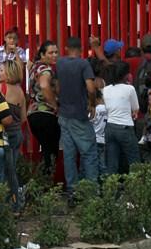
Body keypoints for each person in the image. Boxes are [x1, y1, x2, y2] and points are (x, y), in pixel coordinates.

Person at [56, 36, 99, 198]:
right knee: (89, 152)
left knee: (69, 155)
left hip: (64, 114)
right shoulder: (83, 64)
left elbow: (58, 87)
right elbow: (91, 88)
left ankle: (72, 191)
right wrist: (92, 104)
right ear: (80, 49)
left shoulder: (59, 63)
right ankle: (91, 192)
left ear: (66, 48)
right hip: (79, 114)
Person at [0, 59, 27, 209]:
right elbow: (24, 117)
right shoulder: (20, 91)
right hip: (17, 134)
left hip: (4, 134)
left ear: (8, 73)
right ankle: (14, 201)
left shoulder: (0, 87)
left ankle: (11, 204)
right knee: (12, 169)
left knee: (3, 170)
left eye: (1, 70)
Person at [27, 41, 60, 175]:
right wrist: (54, 105)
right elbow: (45, 86)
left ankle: (42, 182)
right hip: (46, 114)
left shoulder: (35, 67)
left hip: (33, 113)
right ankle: (47, 185)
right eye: (51, 53)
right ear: (42, 54)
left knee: (46, 150)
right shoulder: (45, 70)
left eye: (56, 52)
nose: (54, 55)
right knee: (51, 153)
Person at [103, 61, 140, 175]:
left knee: (112, 163)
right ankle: (136, 188)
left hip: (109, 127)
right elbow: (135, 108)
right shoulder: (129, 89)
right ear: (125, 75)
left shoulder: (106, 89)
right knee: (134, 161)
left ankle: (111, 189)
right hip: (125, 128)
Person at [91, 90, 107, 178]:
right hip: (104, 139)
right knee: (103, 163)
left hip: (95, 139)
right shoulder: (107, 108)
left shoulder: (95, 109)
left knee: (93, 163)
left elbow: (90, 121)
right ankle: (104, 182)